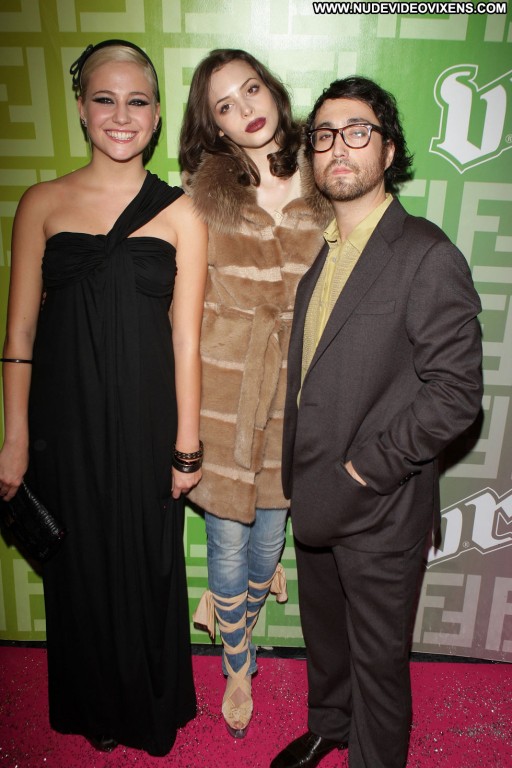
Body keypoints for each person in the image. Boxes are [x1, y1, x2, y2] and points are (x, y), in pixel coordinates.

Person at [0, 40, 207, 756]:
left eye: (137, 100)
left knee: (147, 562)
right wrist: (15, 436)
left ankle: (149, 709)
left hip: (149, 416)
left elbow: (187, 339)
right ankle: (93, 708)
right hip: (63, 420)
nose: (122, 115)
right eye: (105, 99)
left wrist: (187, 444)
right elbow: (19, 332)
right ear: (83, 110)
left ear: (157, 115)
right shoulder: (42, 203)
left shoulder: (181, 213)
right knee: (79, 565)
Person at [271, 77, 483, 768]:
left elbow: (457, 394)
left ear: (388, 150)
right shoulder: (327, 250)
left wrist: (366, 469)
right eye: (324, 134)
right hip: (314, 489)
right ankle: (330, 725)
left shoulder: (426, 253)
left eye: (358, 131)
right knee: (327, 637)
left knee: (378, 664)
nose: (339, 146)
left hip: (379, 502)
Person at [178, 49, 332, 738]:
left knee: (270, 539)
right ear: (213, 126)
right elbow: (182, 302)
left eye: (251, 89)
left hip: (300, 386)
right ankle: (237, 662)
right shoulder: (201, 197)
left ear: (273, 89)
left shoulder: (327, 177)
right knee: (226, 540)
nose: (246, 109)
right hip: (225, 388)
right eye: (225, 105)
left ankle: (240, 607)